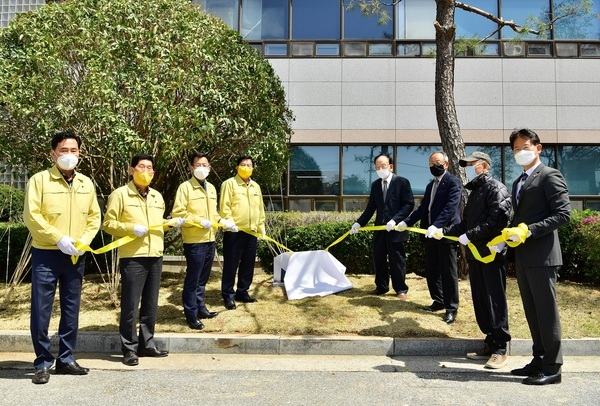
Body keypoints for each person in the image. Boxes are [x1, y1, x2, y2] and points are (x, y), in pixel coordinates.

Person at [24, 130, 101, 384]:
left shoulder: (86, 183)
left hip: (75, 256)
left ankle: (66, 359)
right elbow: (32, 215)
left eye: (74, 151)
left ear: (80, 153)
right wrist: (58, 238)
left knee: (71, 309)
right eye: (64, 150)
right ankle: (43, 362)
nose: (69, 155)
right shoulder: (40, 180)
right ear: (53, 153)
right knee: (41, 310)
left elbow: (94, 217)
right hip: (46, 253)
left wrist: (84, 242)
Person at [103, 153, 185, 366]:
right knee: (130, 304)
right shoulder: (120, 195)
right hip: (133, 257)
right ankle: (129, 348)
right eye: (141, 167)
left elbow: (157, 223)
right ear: (131, 170)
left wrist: (170, 223)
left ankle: (147, 344)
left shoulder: (157, 196)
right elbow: (108, 224)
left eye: (149, 168)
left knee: (150, 304)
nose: (145, 171)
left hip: (155, 254)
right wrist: (131, 228)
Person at [435, 151, 512, 369]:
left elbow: (498, 219)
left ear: (485, 166)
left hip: (491, 253)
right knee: (480, 298)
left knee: (495, 298)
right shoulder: (475, 193)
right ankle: (490, 341)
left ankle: (500, 348)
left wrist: (471, 235)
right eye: (467, 166)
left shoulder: (496, 188)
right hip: (475, 254)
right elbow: (465, 224)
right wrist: (443, 231)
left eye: (473, 165)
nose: (470, 169)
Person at [507, 128, 571, 385]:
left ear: (538, 148)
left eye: (525, 147)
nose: (520, 152)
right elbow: (520, 217)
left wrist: (528, 231)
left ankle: (553, 367)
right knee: (532, 312)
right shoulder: (519, 181)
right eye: (515, 149)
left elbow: (563, 214)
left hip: (543, 257)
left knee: (546, 312)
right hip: (524, 257)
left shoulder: (549, 176)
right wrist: (506, 238)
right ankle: (539, 359)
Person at [399, 151, 461, 324]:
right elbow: (423, 209)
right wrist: (407, 222)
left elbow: (450, 208)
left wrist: (437, 225)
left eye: (438, 162)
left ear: (446, 164)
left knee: (448, 272)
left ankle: (451, 308)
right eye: (431, 163)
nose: (435, 166)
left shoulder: (453, 182)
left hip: (446, 233)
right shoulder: (430, 185)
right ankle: (438, 300)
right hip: (430, 234)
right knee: (432, 270)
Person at [350, 153, 415, 299]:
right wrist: (359, 223)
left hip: (396, 229)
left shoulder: (402, 182)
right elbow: (370, 208)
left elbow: (408, 204)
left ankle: (401, 289)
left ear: (390, 167)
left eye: (383, 166)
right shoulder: (375, 185)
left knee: (397, 260)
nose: (380, 169)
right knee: (378, 257)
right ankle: (381, 286)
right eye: (377, 167)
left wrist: (395, 220)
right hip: (380, 229)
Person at [172, 152, 220, 330]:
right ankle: (191, 314)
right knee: (193, 279)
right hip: (194, 241)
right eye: (198, 165)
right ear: (191, 168)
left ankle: (201, 309)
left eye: (204, 165)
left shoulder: (212, 188)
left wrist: (222, 221)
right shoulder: (185, 188)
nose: (201, 168)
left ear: (209, 168)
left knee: (203, 279)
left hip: (210, 239)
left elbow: (213, 213)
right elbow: (178, 213)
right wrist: (199, 221)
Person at [219, 156, 265, 310]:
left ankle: (242, 292)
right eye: (243, 164)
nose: (246, 167)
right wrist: (229, 222)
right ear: (236, 167)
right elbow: (224, 206)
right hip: (234, 232)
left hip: (251, 232)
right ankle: (228, 295)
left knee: (248, 264)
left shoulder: (255, 187)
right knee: (231, 265)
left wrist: (261, 226)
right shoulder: (229, 184)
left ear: (253, 168)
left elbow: (260, 208)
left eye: (249, 165)